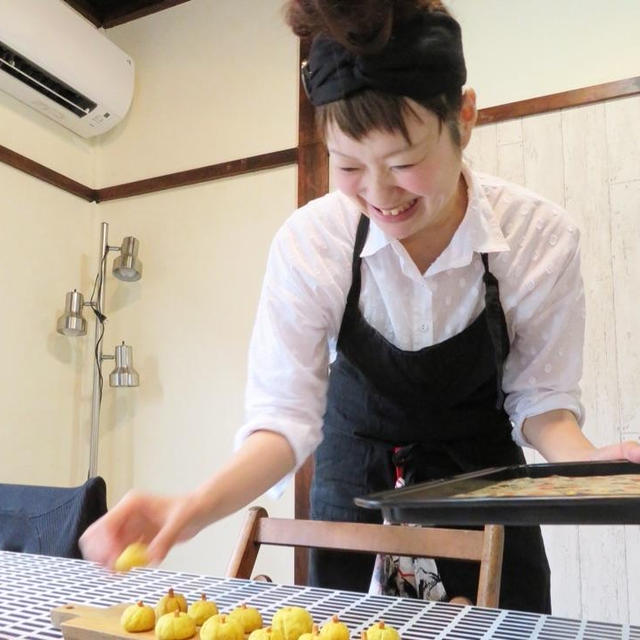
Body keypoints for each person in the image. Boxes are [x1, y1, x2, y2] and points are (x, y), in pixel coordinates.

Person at [79, 0, 640, 613]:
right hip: (351, 494)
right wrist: (191, 509)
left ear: (466, 117)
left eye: (405, 163)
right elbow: (284, 422)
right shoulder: (312, 242)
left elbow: (542, 405)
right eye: (347, 166)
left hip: (482, 490)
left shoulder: (538, 238)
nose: (379, 194)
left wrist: (589, 468)